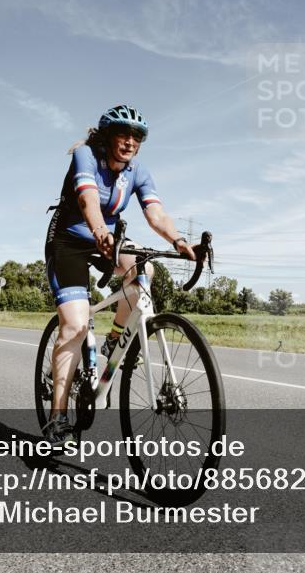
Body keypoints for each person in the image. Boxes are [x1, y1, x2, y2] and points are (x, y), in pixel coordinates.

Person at [42, 105, 195, 445]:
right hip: (69, 241)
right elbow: (88, 200)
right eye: (123, 134)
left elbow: (156, 214)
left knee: (145, 270)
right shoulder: (86, 156)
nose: (129, 141)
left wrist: (180, 240)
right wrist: (99, 230)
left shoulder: (137, 172)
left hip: (111, 240)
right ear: (108, 136)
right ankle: (57, 417)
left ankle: (114, 340)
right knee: (76, 325)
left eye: (136, 136)